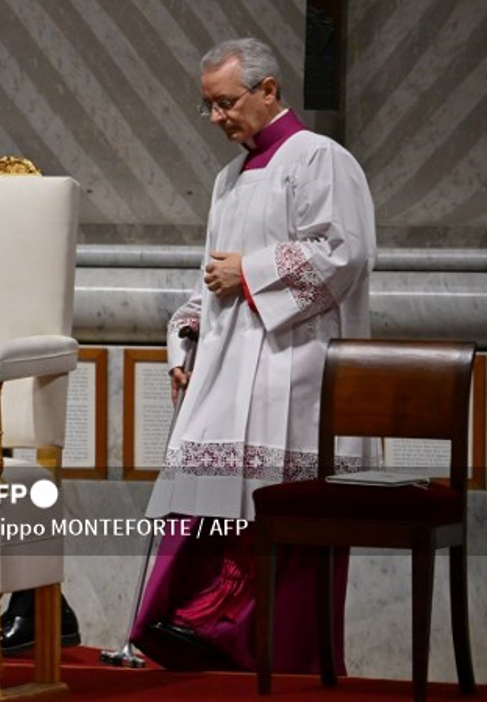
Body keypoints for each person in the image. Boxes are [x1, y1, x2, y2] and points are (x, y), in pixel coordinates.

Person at [129, 38, 377, 673]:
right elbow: (211, 275)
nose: (216, 118)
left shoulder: (320, 159)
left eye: (225, 102)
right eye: (207, 106)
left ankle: (261, 647)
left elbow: (343, 254)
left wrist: (251, 273)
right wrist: (185, 333)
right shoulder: (230, 178)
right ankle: (186, 630)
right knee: (203, 507)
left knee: (278, 511)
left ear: (268, 90)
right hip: (227, 368)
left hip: (294, 371)